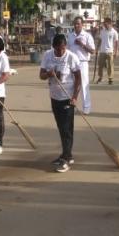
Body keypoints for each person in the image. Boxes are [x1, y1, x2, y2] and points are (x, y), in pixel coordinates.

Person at [40, 34, 81, 173]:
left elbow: (78, 78)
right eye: (57, 50)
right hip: (54, 96)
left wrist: (75, 96)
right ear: (53, 47)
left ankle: (67, 158)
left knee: (66, 128)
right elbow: (41, 75)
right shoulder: (47, 55)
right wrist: (49, 74)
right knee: (60, 127)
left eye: (62, 49)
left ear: (66, 46)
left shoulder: (71, 57)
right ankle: (65, 154)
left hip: (67, 97)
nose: (60, 52)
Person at [67, 17, 95, 114]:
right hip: (71, 63)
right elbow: (67, 50)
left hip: (82, 63)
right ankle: (72, 105)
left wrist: (82, 44)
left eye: (78, 24)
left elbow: (92, 51)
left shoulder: (87, 36)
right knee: (71, 85)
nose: (76, 25)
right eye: (75, 24)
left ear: (82, 24)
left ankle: (86, 107)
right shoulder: (70, 36)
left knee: (83, 85)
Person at [96, 17, 119, 85]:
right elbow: (100, 40)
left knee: (110, 65)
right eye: (104, 24)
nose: (105, 25)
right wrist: (97, 49)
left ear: (110, 23)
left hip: (110, 51)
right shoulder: (102, 31)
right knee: (100, 65)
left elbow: (117, 42)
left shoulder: (114, 32)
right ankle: (100, 77)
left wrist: (116, 51)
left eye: (106, 24)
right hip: (102, 51)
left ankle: (110, 78)